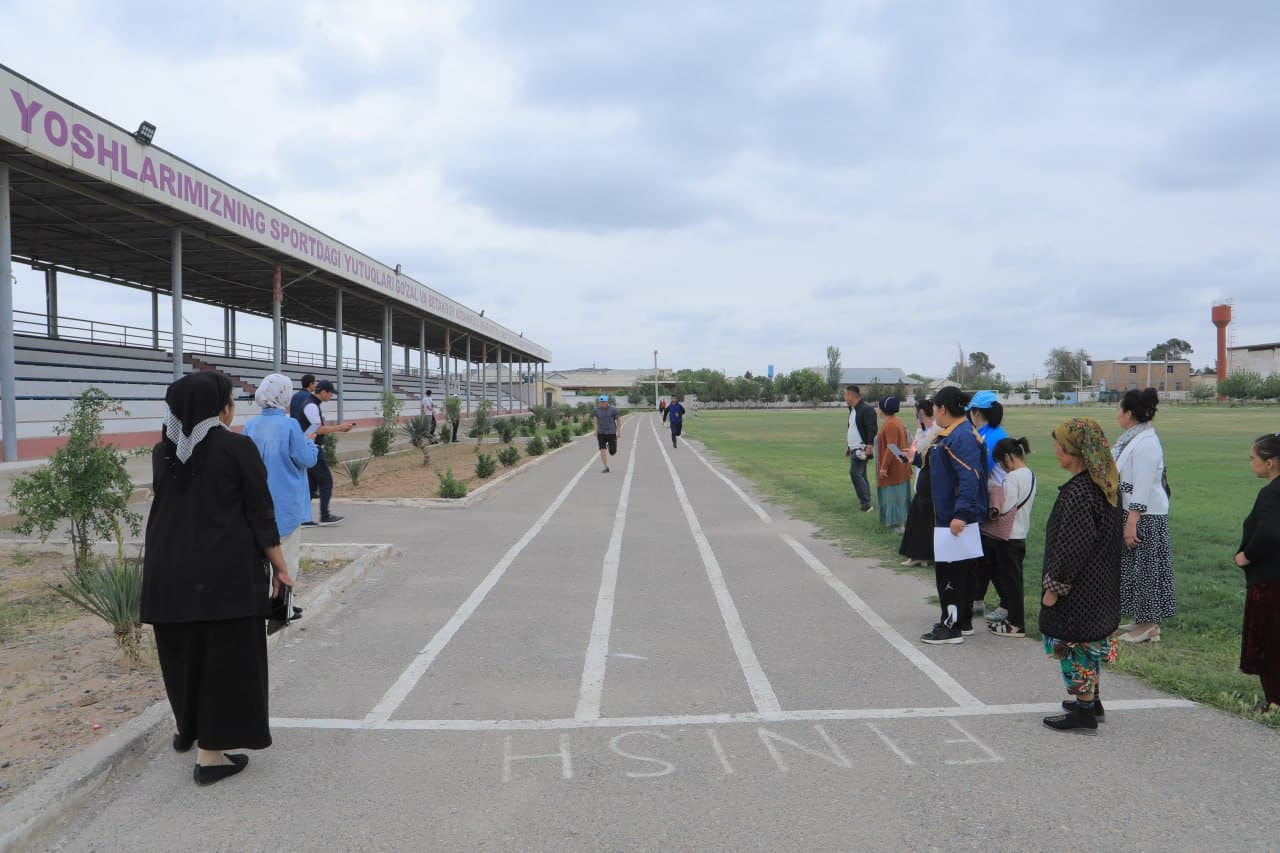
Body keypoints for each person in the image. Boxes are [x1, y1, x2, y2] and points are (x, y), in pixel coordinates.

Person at [141, 371, 291, 785]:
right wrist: (280, 566)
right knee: (226, 658)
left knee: (181, 653)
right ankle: (211, 756)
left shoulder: (161, 453)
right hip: (225, 575)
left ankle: (186, 731)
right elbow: (260, 514)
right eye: (229, 401)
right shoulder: (237, 448)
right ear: (219, 408)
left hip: (166, 572)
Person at [1040, 418, 1123, 734]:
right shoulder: (1107, 482)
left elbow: (1071, 546)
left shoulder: (1079, 492)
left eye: (1058, 445)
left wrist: (1054, 588)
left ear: (1071, 451)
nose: (1055, 450)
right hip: (1102, 581)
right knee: (1092, 640)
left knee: (1074, 644)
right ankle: (1093, 700)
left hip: (1080, 587)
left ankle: (1085, 712)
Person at [920, 387, 988, 645]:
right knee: (961, 572)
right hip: (950, 516)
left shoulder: (961, 436)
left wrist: (960, 514)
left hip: (955, 519)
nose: (934, 412)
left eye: (935, 407)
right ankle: (963, 620)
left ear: (942, 409)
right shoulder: (948, 434)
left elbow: (969, 477)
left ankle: (951, 627)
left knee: (950, 574)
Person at [244, 374, 317, 607]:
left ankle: (261, 601)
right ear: (284, 396)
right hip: (285, 503)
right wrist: (310, 442)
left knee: (261, 555)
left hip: (256, 502)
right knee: (287, 556)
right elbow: (306, 459)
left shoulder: (250, 425)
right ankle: (283, 606)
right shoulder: (290, 425)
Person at [1112, 388, 1176, 644]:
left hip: (1145, 514)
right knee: (1135, 569)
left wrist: (1131, 522)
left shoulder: (1147, 442)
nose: (1117, 413)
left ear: (1129, 414)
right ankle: (1142, 619)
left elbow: (1142, 484)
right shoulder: (1133, 438)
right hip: (1134, 512)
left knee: (1148, 569)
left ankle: (1150, 625)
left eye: (1119, 409)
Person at [1235, 433, 1280, 710]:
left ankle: (1275, 701)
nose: (1251, 463)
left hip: (1270, 581)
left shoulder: (1271, 493)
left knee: (1269, 641)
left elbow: (1269, 532)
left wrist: (1246, 555)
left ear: (1271, 463)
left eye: (1254, 458)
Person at [982, 437, 1036, 637]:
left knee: (1011, 582)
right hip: (1021, 532)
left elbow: (1004, 507)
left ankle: (1016, 624)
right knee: (1014, 579)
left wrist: (994, 492)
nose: (1002, 469)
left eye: (1001, 464)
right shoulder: (1030, 474)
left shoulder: (1012, 477)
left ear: (1007, 458)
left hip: (1008, 536)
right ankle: (1013, 620)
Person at [966, 391, 1008, 615]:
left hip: (996, 503)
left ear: (976, 412)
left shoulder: (993, 437)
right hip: (989, 500)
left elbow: (981, 470)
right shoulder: (985, 432)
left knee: (994, 556)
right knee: (982, 553)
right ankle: (977, 598)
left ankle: (1006, 603)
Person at [294, 379, 353, 526]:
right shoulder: (311, 405)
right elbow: (317, 429)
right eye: (330, 393)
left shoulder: (311, 403)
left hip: (308, 446)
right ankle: (325, 516)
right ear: (324, 392)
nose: (331, 396)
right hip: (312, 448)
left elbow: (315, 427)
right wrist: (340, 427)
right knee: (326, 481)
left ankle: (303, 518)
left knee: (311, 485)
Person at [874, 396, 911, 532]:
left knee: (894, 495)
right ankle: (900, 522)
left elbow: (891, 447)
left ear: (883, 409)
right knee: (898, 493)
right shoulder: (896, 421)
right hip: (900, 465)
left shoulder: (890, 424)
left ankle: (897, 524)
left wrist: (884, 467)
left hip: (894, 468)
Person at [844, 385, 877, 514]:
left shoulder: (866, 409)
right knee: (861, 474)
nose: (845, 398)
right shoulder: (852, 410)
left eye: (846, 395)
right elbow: (853, 429)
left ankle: (866, 504)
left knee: (855, 473)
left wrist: (869, 445)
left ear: (852, 395)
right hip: (854, 448)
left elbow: (872, 428)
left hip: (862, 448)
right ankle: (866, 501)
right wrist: (849, 447)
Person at [290, 374, 317, 498]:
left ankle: (309, 491)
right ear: (311, 384)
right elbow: (314, 421)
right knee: (309, 461)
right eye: (314, 383)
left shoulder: (295, 396)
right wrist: (311, 434)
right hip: (306, 432)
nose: (315, 385)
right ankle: (310, 492)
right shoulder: (310, 398)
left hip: (294, 432)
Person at [592, 394, 622, 473]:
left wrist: (618, 431)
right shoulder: (596, 410)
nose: (602, 403)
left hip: (611, 432)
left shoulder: (613, 410)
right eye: (600, 402)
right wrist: (595, 430)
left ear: (606, 402)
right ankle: (605, 467)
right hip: (601, 433)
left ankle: (611, 446)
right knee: (602, 450)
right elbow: (595, 421)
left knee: (612, 452)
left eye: (603, 402)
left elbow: (618, 420)